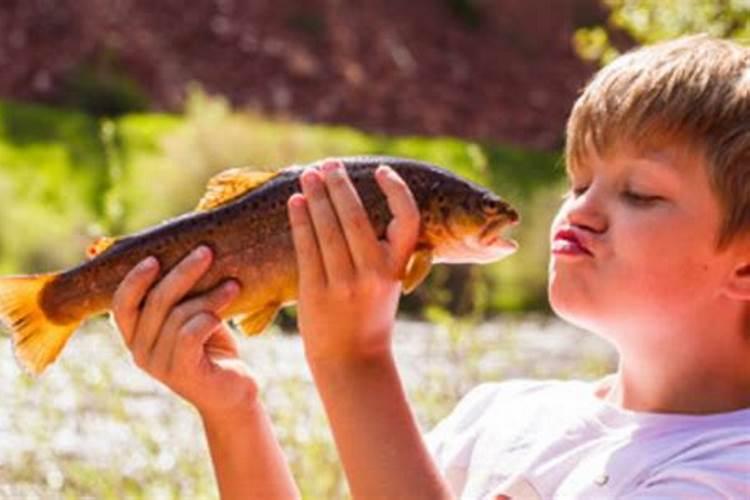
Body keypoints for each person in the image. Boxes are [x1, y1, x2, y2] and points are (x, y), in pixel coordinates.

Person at [111, 34, 750, 499]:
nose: (581, 212)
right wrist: (233, 413)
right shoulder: (498, 416)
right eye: (578, 182)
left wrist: (353, 361)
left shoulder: (726, 472)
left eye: (640, 193)